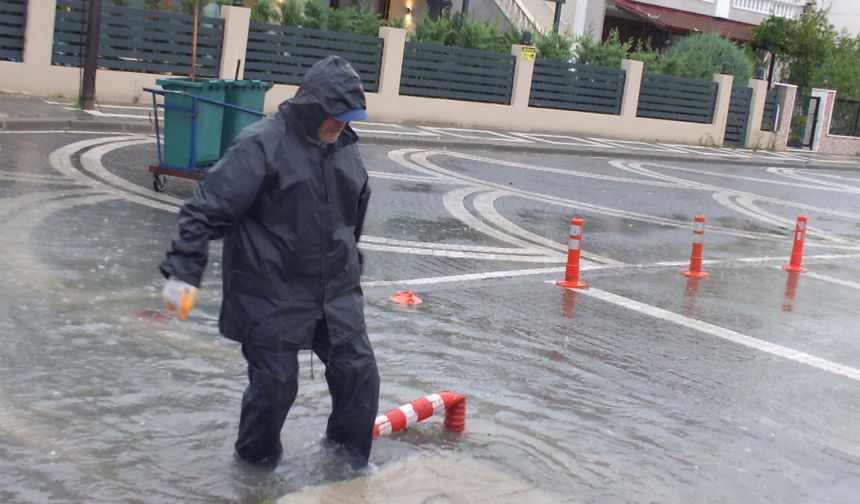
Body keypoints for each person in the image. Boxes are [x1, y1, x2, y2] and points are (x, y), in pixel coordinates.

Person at [159, 56, 379, 468]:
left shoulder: (346, 150)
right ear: (314, 109)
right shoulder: (261, 145)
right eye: (336, 119)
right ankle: (254, 470)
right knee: (276, 385)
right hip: (269, 291)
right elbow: (202, 211)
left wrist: (350, 267)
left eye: (348, 121)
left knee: (359, 375)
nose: (342, 128)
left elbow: (353, 217)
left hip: (334, 292)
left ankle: (347, 464)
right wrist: (183, 276)